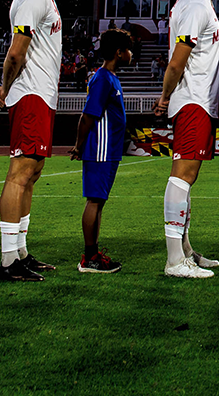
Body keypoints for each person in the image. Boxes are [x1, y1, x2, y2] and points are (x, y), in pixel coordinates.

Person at [154, 0, 219, 278]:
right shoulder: (196, 5)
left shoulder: (199, 5)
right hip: (192, 100)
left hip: (200, 101)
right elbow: (177, 60)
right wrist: (165, 95)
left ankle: (185, 250)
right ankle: (174, 260)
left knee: (189, 176)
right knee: (182, 175)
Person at [0, 0, 70, 283]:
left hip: (41, 94)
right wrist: (6, 87)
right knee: (21, 172)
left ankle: (21, 252)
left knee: (33, 173)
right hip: (30, 94)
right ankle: (8, 259)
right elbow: (17, 50)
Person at [71, 29, 133, 274]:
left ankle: (94, 254)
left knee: (99, 202)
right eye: (128, 49)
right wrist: (79, 145)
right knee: (95, 201)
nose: (131, 53)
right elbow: (88, 115)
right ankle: (89, 258)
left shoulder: (110, 77)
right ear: (119, 53)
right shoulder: (103, 78)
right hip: (101, 150)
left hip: (108, 150)